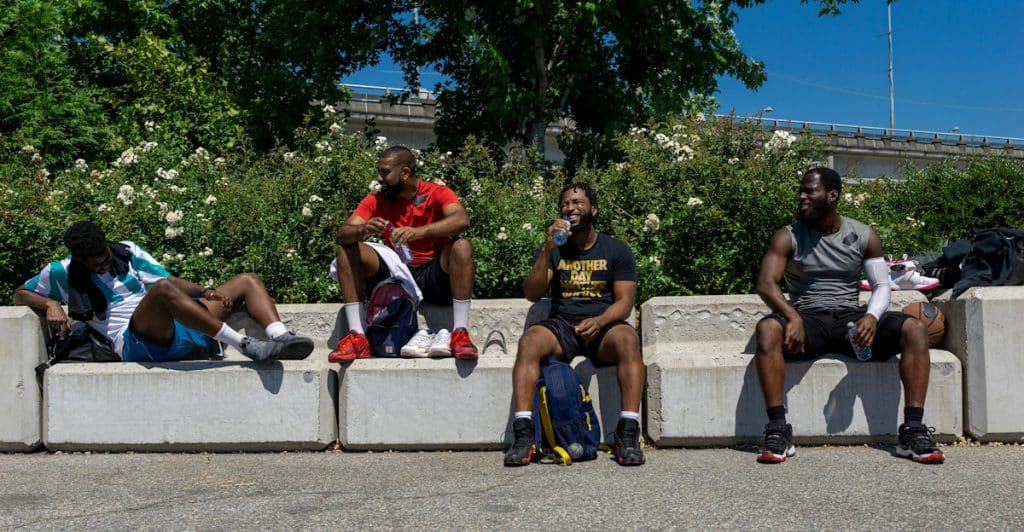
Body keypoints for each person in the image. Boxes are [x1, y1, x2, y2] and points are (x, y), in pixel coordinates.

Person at [753, 167, 943, 464]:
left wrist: (872, 317)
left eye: (809, 191)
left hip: (850, 321)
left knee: (915, 329)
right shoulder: (787, 236)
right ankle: (778, 429)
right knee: (767, 329)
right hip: (808, 320)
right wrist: (793, 316)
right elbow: (766, 283)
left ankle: (913, 430)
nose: (802, 196)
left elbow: (882, 285)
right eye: (800, 191)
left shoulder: (863, 235)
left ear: (832, 196)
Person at [13, 221, 314, 363]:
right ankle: (244, 344)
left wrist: (206, 291)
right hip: (136, 341)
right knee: (159, 292)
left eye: (105, 256)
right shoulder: (61, 271)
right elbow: (20, 294)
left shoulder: (126, 251)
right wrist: (50, 303)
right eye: (95, 264)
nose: (104, 265)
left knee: (246, 280)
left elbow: (169, 280)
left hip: (176, 325)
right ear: (79, 260)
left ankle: (280, 337)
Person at [503, 183, 645, 467]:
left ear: (594, 209)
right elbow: (532, 293)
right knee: (529, 342)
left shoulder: (616, 249)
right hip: (563, 325)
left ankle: (628, 432)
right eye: (566, 204)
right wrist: (547, 248)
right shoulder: (555, 249)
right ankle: (524, 434)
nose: (571, 208)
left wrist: (600, 321)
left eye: (578, 202)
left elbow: (625, 303)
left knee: (629, 341)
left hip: (603, 327)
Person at [329, 145, 479, 362]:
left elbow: (461, 220)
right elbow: (343, 233)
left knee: (462, 247)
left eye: (385, 172)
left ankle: (460, 334)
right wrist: (363, 229)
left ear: (405, 173)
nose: (379, 178)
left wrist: (419, 232)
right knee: (347, 249)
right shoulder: (376, 199)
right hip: (398, 276)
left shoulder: (436, 193)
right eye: (379, 172)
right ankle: (358, 337)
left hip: (433, 274)